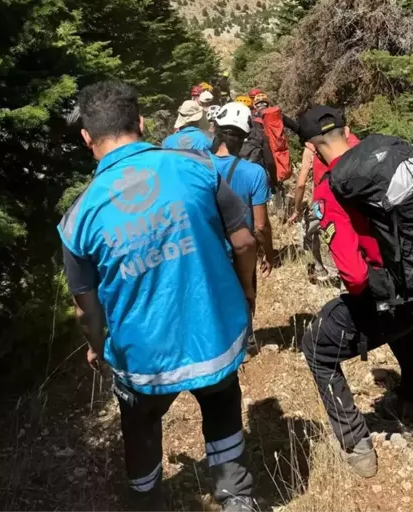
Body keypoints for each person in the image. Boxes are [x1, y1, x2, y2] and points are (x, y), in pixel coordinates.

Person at [58, 81, 257, 510]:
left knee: (141, 424)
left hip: (141, 358)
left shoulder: (78, 217)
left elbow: (85, 309)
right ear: (142, 124)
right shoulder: (198, 168)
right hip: (214, 337)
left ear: (87, 138)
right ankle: (236, 495)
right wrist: (246, 296)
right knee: (221, 401)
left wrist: (96, 347)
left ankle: (147, 501)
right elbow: (243, 241)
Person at [296, 106, 413, 479]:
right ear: (349, 131)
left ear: (311, 148)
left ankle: (356, 445)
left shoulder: (331, 188)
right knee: (409, 330)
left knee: (317, 346)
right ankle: (411, 400)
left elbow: (354, 276)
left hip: (396, 292)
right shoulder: (388, 157)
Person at [213, 102, 275, 357]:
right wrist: (269, 253)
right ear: (246, 136)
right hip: (242, 249)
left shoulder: (197, 167)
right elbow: (260, 225)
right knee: (245, 294)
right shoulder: (254, 173)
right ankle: (246, 344)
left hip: (207, 248)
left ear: (216, 130)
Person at [289, 128, 360, 281]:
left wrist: (296, 209)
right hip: (350, 199)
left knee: (307, 231)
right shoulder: (352, 141)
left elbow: (301, 184)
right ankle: (346, 281)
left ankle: (318, 269)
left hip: (322, 204)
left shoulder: (312, 149)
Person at [236, 96, 277, 187]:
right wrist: (274, 180)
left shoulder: (227, 126)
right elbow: (268, 158)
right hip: (255, 166)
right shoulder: (258, 122)